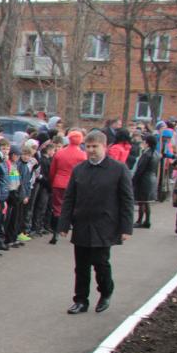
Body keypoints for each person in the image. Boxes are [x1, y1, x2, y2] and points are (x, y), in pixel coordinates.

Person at [58, 130, 134, 314]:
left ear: (105, 147)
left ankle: (105, 292)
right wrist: (64, 224)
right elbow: (69, 198)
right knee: (81, 265)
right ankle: (81, 300)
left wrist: (126, 227)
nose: (91, 150)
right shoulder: (79, 169)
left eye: (95, 146)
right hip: (82, 223)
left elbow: (126, 200)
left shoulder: (118, 169)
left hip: (105, 224)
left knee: (100, 263)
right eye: (88, 146)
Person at [48, 129, 86, 243]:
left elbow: (52, 171)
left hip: (59, 182)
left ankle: (55, 233)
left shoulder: (59, 153)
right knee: (75, 208)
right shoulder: (83, 155)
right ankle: (77, 233)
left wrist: (52, 182)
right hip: (75, 184)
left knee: (57, 209)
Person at [132, 133, 159, 229]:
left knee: (141, 201)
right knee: (146, 202)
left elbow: (140, 169)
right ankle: (147, 221)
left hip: (144, 180)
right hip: (151, 178)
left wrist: (133, 180)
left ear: (147, 143)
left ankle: (140, 221)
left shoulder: (146, 154)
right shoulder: (155, 153)